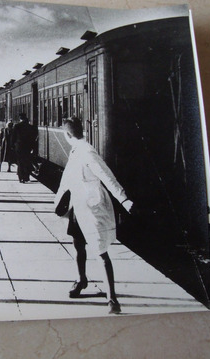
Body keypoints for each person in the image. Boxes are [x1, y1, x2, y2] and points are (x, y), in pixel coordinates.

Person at [54, 117, 133, 314]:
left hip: (91, 208)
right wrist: (58, 203)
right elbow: (68, 180)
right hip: (76, 207)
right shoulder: (75, 150)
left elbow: (107, 176)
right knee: (78, 245)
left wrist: (124, 199)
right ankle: (82, 280)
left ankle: (112, 299)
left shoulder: (87, 151)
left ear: (68, 134)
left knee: (100, 251)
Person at [12, 113, 37, 183]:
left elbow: (13, 137)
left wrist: (12, 146)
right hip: (27, 147)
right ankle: (26, 177)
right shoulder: (30, 127)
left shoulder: (17, 126)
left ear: (20, 119)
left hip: (19, 147)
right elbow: (33, 138)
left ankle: (21, 178)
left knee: (20, 162)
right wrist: (32, 147)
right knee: (27, 162)